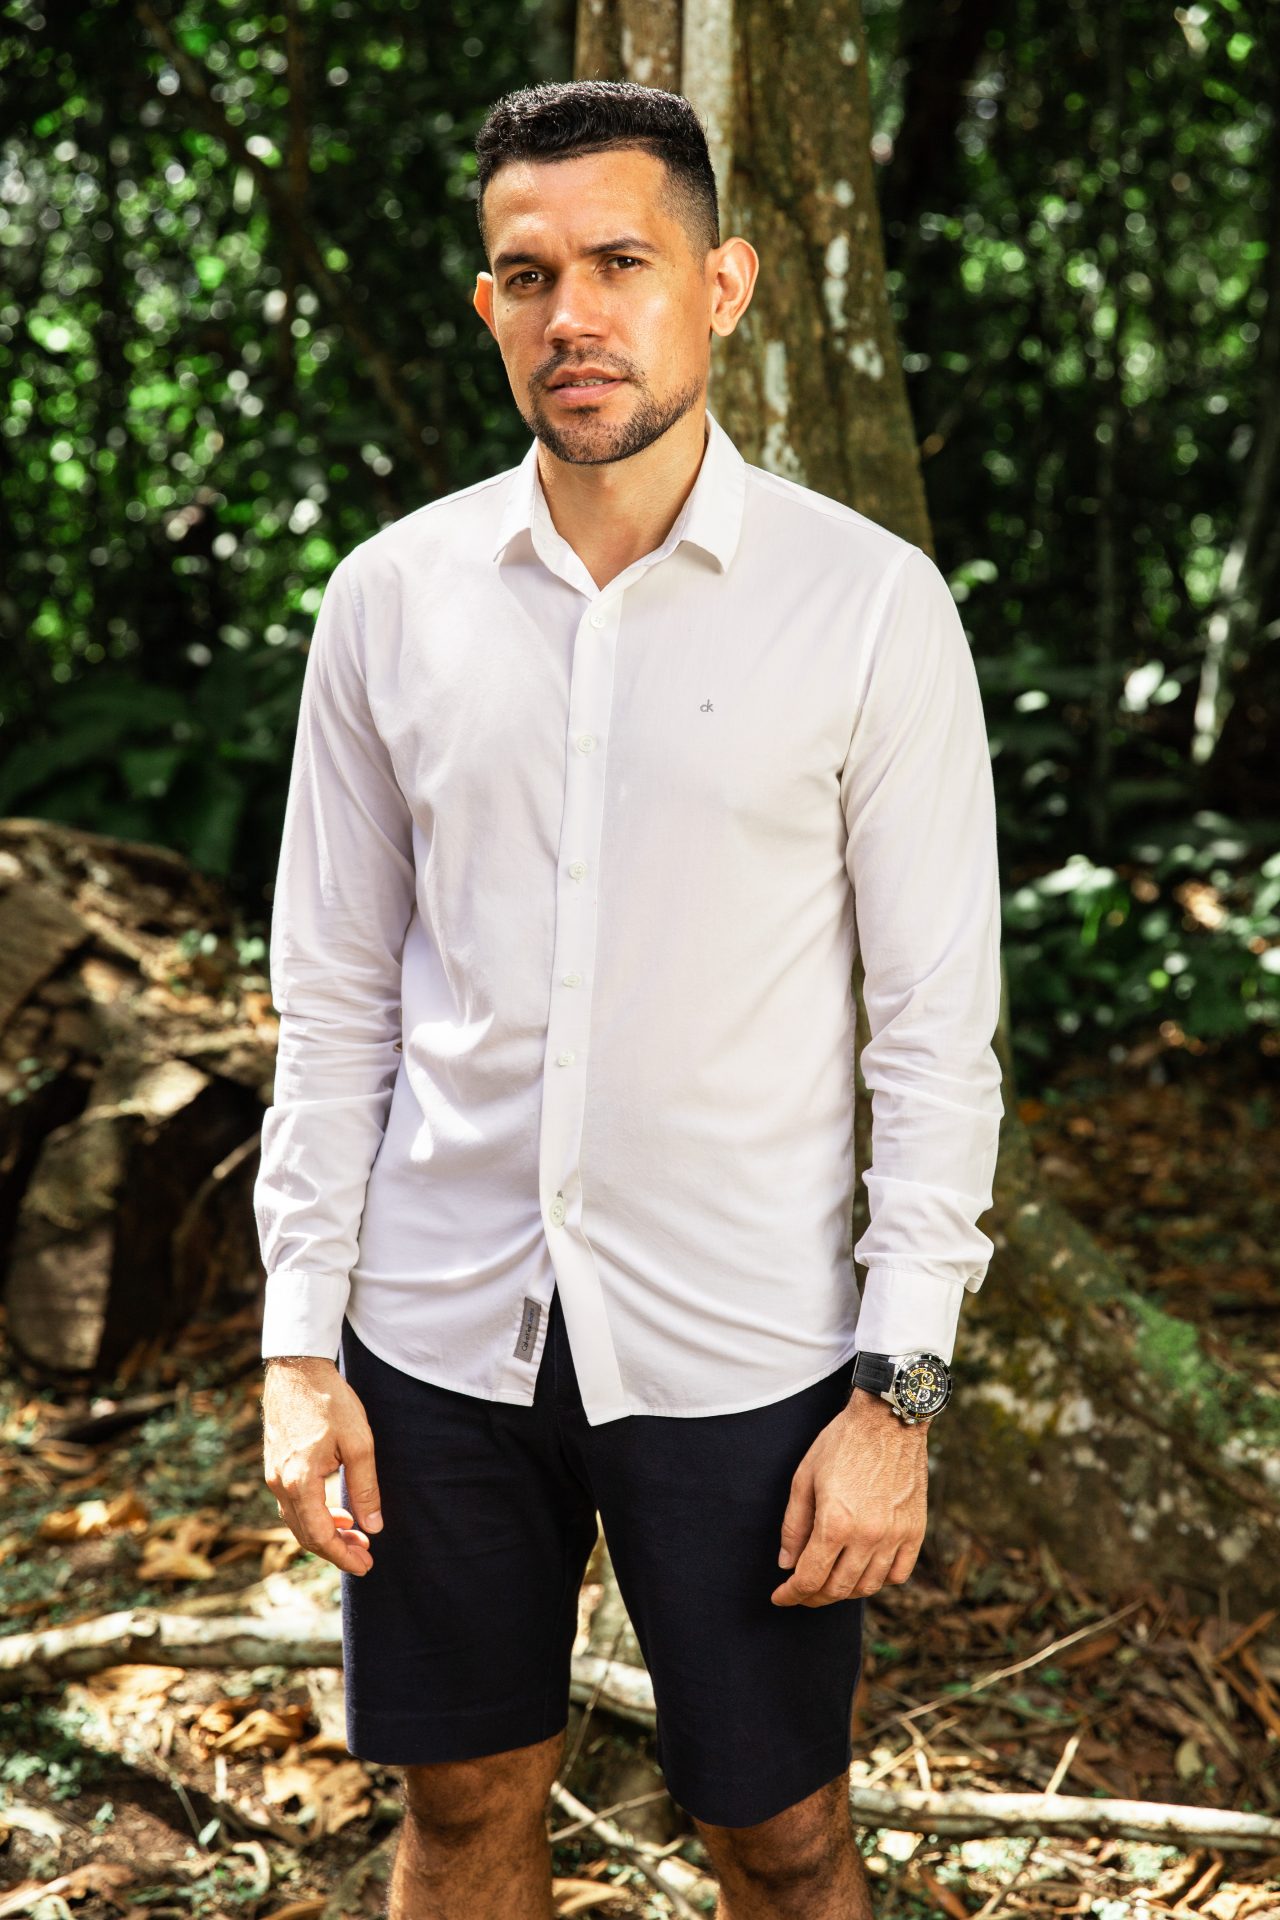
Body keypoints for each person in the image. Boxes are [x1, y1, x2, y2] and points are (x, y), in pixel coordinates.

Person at [255, 77, 1004, 1920]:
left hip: (750, 1351)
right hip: (438, 1336)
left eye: (620, 264)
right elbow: (335, 1001)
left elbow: (934, 1031)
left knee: (785, 1836)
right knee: (458, 1813)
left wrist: (898, 1396)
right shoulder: (390, 599)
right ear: (487, 305)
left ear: (723, 284)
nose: (571, 314)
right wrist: (296, 1350)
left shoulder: (870, 606)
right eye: (527, 276)